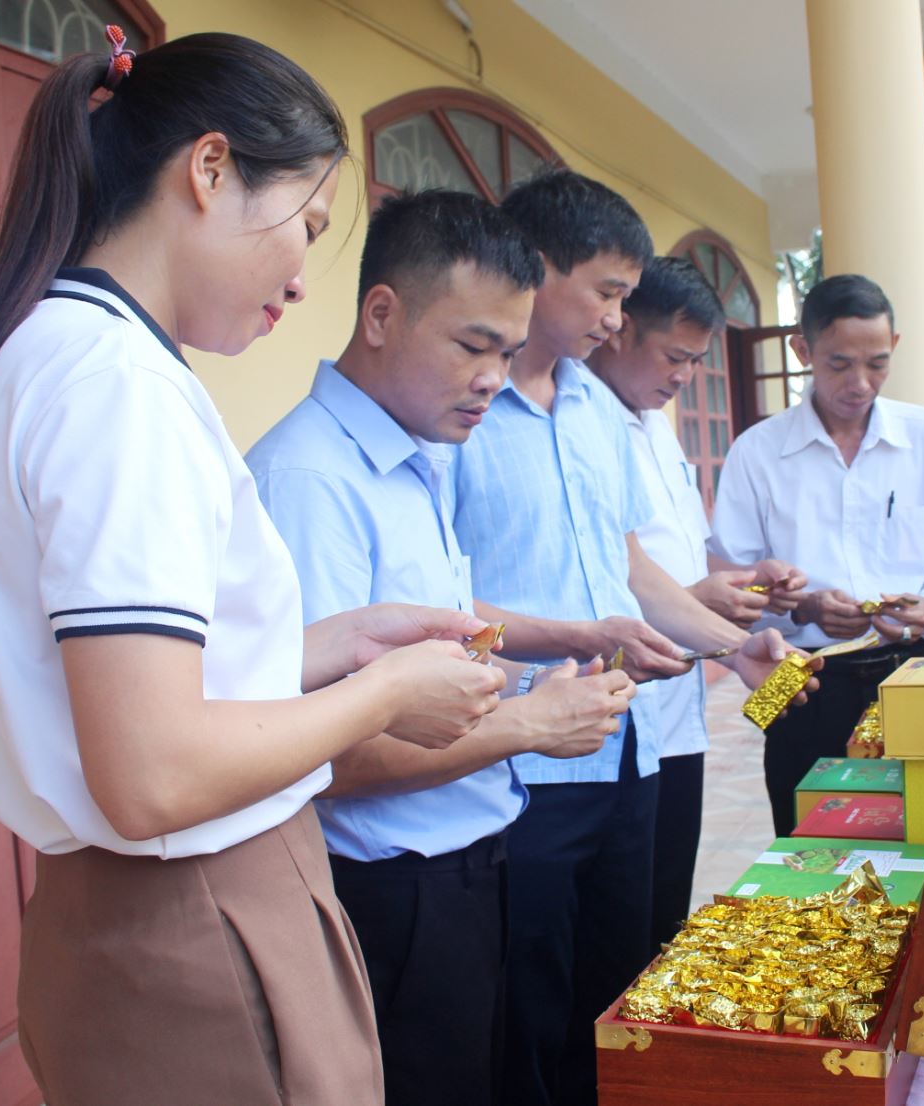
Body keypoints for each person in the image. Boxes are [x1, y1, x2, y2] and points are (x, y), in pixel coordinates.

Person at [0, 33, 504, 1106]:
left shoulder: (58, 349)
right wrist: (384, 693)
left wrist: (340, 643)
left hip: (137, 915)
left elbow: (147, 678)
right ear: (211, 169)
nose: (301, 275)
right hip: (197, 915)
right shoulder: (117, 386)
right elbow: (155, 771)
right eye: (307, 227)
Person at [247, 190, 636, 1106]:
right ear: (381, 313)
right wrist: (530, 725)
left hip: (474, 861)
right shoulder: (310, 480)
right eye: (471, 346)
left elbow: (431, 662)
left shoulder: (418, 460)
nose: (493, 379)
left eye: (508, 351)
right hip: (393, 891)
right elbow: (328, 754)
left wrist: (517, 672)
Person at [451, 169, 810, 1106]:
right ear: (537, 269)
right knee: (529, 1005)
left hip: (630, 751)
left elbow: (632, 573)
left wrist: (736, 648)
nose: (617, 318)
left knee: (624, 992)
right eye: (607, 292)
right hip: (522, 765)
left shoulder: (596, 415)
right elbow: (441, 603)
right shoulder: (461, 417)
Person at [711, 273, 924, 837]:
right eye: (839, 364)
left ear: (895, 348)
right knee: (808, 853)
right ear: (803, 350)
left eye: (877, 363)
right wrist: (802, 607)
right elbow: (728, 588)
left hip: (917, 670)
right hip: (801, 681)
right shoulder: (757, 452)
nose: (861, 383)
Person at [586, 255, 806, 950]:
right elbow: (613, 577)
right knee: (620, 925)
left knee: (666, 908)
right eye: (675, 356)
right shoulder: (584, 424)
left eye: (696, 361)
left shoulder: (654, 423)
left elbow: (681, 554)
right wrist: (705, 606)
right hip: (622, 702)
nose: (684, 376)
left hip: (697, 693)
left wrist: (739, 582)